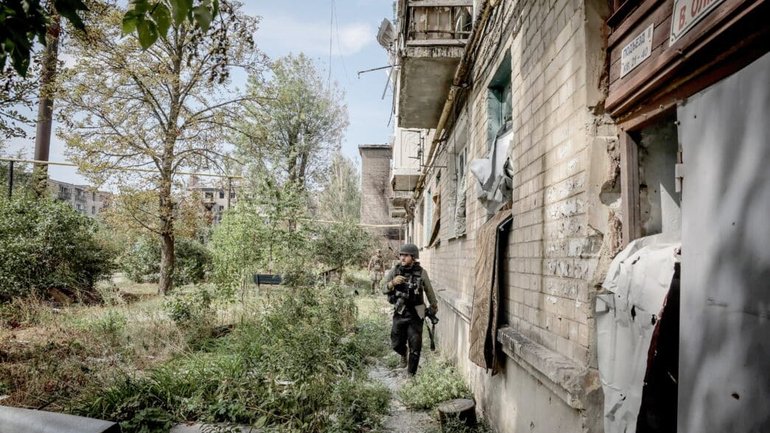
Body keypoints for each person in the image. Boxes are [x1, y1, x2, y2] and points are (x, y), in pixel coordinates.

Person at [382, 243, 438, 376]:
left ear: (413, 257)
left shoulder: (421, 272)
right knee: (396, 342)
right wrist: (393, 283)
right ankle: (403, 353)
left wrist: (433, 306)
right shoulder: (395, 271)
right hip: (400, 311)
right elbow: (382, 288)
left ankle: (411, 375)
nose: (402, 258)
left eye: (406, 255)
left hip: (417, 312)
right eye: (401, 255)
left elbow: (429, 291)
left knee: (416, 345)